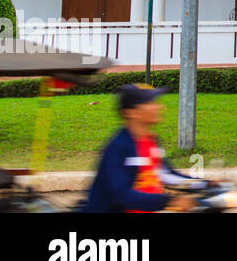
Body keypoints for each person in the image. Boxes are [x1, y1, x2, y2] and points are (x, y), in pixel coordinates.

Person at [80, 84, 199, 213]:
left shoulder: (151, 141)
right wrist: (169, 201)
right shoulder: (118, 146)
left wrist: (204, 184)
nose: (159, 107)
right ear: (131, 112)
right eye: (149, 103)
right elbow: (121, 195)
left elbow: (166, 175)